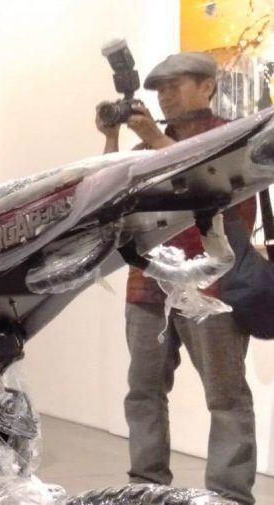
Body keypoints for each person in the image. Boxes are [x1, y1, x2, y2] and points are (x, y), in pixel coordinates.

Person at [95, 51, 257, 504]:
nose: (165, 96)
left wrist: (154, 139)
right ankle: (146, 486)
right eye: (160, 89)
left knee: (225, 396)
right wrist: (112, 138)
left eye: (175, 85)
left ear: (207, 86)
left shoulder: (231, 136)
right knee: (143, 392)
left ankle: (229, 495)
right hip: (147, 284)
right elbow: (104, 191)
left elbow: (207, 179)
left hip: (213, 286)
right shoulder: (148, 145)